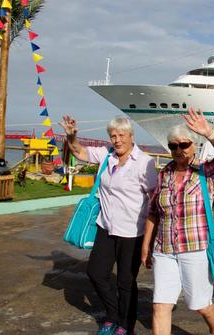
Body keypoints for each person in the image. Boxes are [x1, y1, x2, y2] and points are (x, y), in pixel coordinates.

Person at [59, 115, 158, 335]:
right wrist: (71, 135)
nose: (117, 139)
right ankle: (112, 316)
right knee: (96, 273)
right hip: (106, 226)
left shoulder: (145, 162)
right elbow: (79, 152)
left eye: (121, 135)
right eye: (113, 135)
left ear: (131, 136)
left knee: (125, 281)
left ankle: (125, 325)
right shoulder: (107, 155)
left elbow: (154, 201)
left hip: (132, 232)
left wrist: (150, 240)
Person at [141, 108, 214, 335]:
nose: (178, 150)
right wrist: (146, 246)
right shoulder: (165, 174)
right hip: (164, 249)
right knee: (160, 305)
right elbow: (154, 211)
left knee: (200, 305)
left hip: (195, 249)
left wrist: (210, 133)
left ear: (194, 146)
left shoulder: (205, 171)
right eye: (173, 146)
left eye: (184, 145)